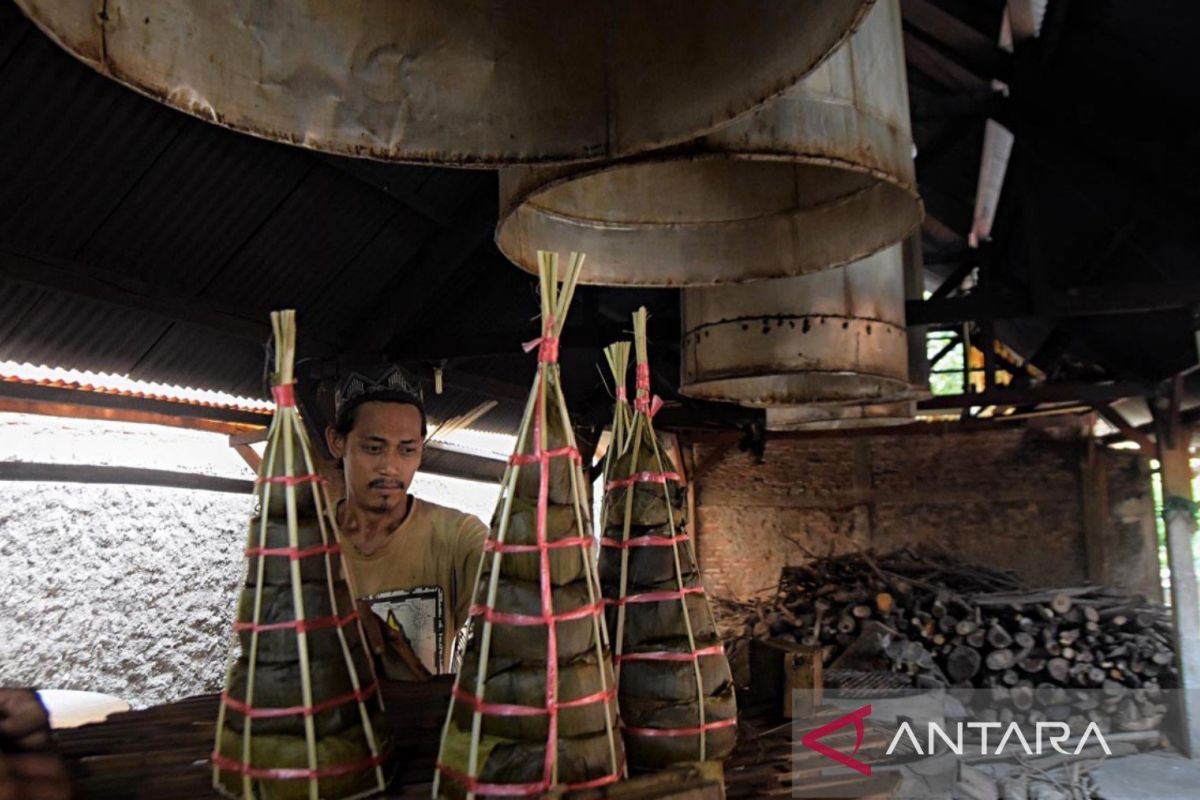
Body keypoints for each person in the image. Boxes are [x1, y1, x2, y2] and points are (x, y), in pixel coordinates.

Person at [325, 365, 488, 681]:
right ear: (337, 442)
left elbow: (516, 590)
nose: (390, 467)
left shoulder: (458, 537)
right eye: (374, 448)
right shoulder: (301, 545)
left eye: (407, 450)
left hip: (425, 728)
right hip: (332, 728)